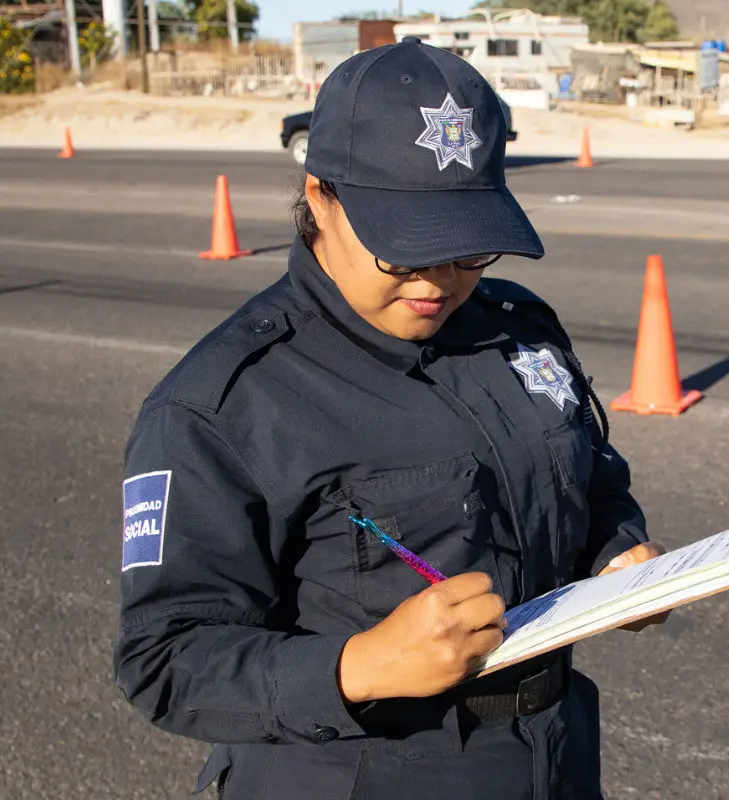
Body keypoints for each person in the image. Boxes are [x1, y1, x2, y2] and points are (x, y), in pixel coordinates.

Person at [113, 37, 668, 800]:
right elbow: (164, 659)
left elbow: (589, 476)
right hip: (363, 769)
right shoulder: (226, 403)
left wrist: (618, 555)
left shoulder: (519, 329)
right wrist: (360, 664)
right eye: (404, 254)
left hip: (551, 752)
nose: (439, 283)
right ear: (319, 198)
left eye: (468, 251)